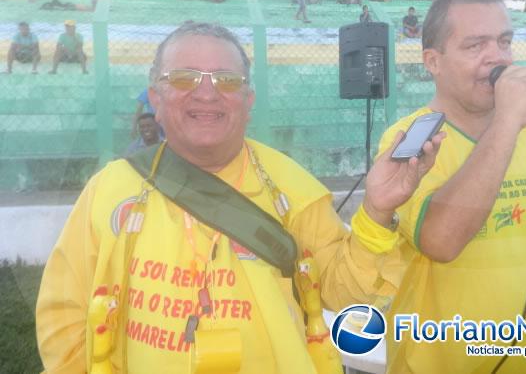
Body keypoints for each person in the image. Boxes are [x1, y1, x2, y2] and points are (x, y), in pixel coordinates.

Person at [36, 21, 443, 373]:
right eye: (184, 78)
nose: (207, 94)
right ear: (154, 100)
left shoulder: (293, 189)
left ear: (248, 100)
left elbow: (344, 294)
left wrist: (377, 211)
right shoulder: (110, 189)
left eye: (227, 81)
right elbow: (65, 313)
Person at [380, 0, 526, 374]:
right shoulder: (409, 141)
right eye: (475, 45)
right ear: (433, 61)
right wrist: (507, 121)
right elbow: (440, 242)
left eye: (504, 41)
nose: (497, 58)